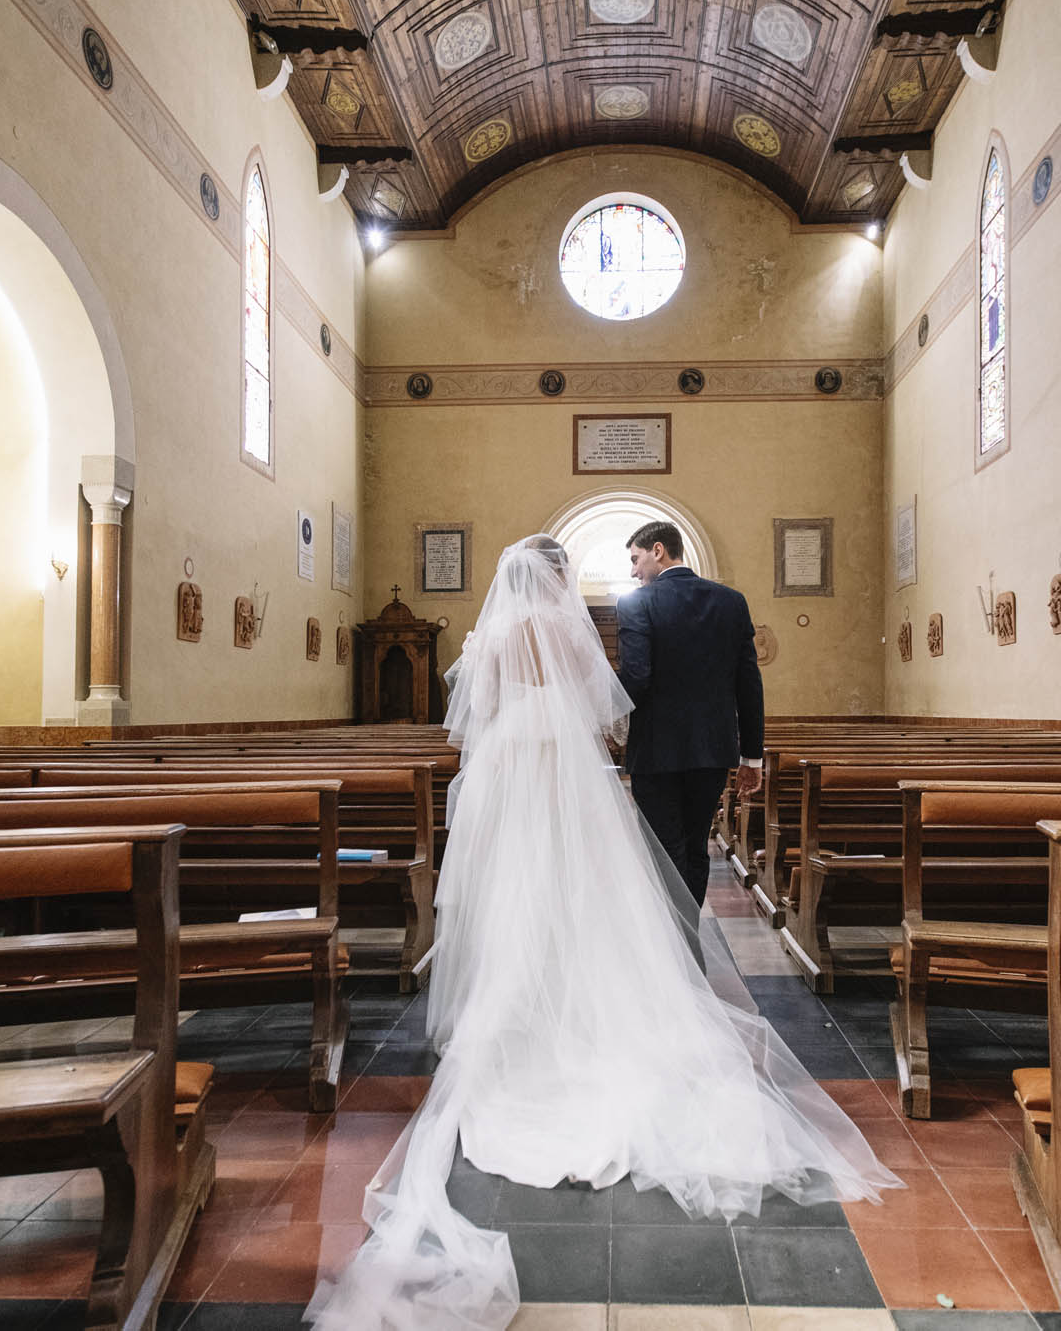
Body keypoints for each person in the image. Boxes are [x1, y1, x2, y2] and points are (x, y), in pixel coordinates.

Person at [306, 534, 896, 1331]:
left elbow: (479, 711)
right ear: (555, 578)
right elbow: (609, 701)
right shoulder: (596, 622)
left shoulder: (505, 634)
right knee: (594, 890)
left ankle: (515, 1011)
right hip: (580, 770)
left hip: (510, 771)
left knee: (516, 894)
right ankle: (634, 981)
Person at [615, 520, 763, 909]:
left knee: (663, 850)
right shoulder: (731, 601)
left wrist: (606, 713)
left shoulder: (636, 603)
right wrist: (752, 756)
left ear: (658, 550)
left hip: (655, 750)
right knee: (695, 847)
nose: (634, 571)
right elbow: (748, 683)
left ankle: (673, 945)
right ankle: (689, 932)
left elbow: (636, 675)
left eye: (636, 559)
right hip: (712, 751)